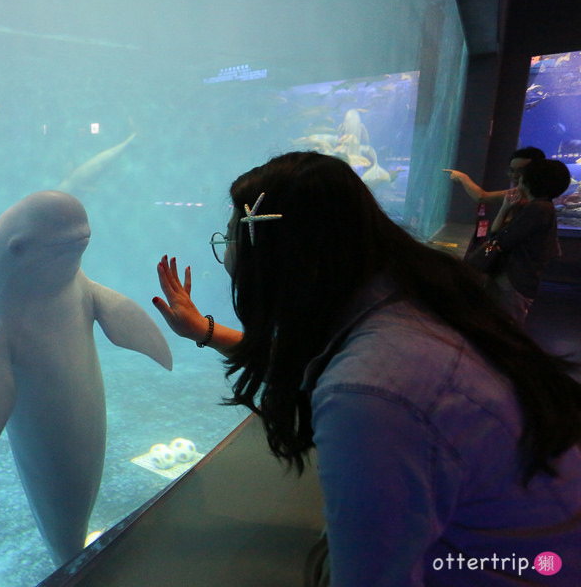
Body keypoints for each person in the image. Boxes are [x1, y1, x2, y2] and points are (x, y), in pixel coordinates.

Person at [152, 151, 581, 586]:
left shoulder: (368, 394)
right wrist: (204, 330)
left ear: (274, 258)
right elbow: (307, 356)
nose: (228, 261)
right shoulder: (408, 294)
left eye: (229, 244)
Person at [482, 157, 572, 326]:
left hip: (513, 283)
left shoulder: (537, 209)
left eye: (522, 174)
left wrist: (505, 209)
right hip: (519, 281)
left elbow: (499, 240)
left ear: (531, 180)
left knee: (503, 329)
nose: (517, 177)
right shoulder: (544, 207)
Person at [444, 146, 545, 205]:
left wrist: (462, 177)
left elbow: (481, 197)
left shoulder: (524, 194)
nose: (515, 175)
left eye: (521, 171)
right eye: (512, 170)